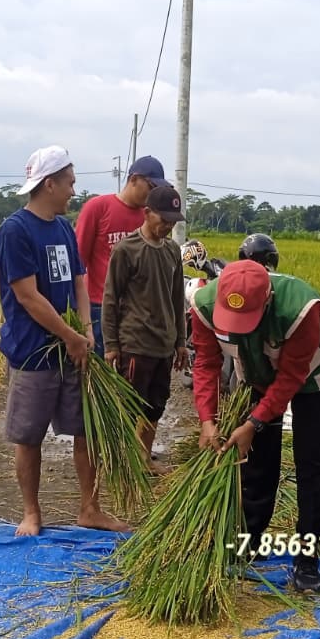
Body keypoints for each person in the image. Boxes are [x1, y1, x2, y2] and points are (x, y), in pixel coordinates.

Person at [0, 145, 129, 537]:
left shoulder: (63, 229)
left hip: (74, 348)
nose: (74, 190)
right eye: (69, 182)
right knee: (29, 436)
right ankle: (32, 512)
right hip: (33, 354)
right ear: (49, 183)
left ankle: (90, 509)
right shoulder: (15, 231)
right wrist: (70, 336)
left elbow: (80, 280)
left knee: (88, 428)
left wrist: (86, 330)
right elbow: (27, 295)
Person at [190, 260, 320, 593]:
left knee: (313, 466)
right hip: (257, 373)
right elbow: (206, 362)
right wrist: (207, 419)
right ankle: (249, 542)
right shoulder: (204, 304)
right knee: (256, 464)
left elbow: (291, 377)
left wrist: (254, 422)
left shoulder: (302, 311)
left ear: (269, 299)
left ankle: (307, 561)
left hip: (315, 377)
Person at [101, 186, 189, 474]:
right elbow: (111, 299)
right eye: (164, 219)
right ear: (147, 213)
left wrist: (181, 341)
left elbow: (178, 298)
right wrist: (111, 344)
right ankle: (122, 462)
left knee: (155, 406)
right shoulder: (127, 250)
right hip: (135, 343)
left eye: (173, 221)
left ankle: (143, 458)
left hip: (164, 344)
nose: (168, 226)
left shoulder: (173, 251)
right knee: (129, 407)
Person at [74, 155, 166, 354]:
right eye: (151, 187)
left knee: (131, 374)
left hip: (137, 312)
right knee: (98, 371)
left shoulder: (149, 217)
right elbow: (77, 261)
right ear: (133, 180)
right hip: (100, 306)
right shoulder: (98, 207)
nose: (152, 194)